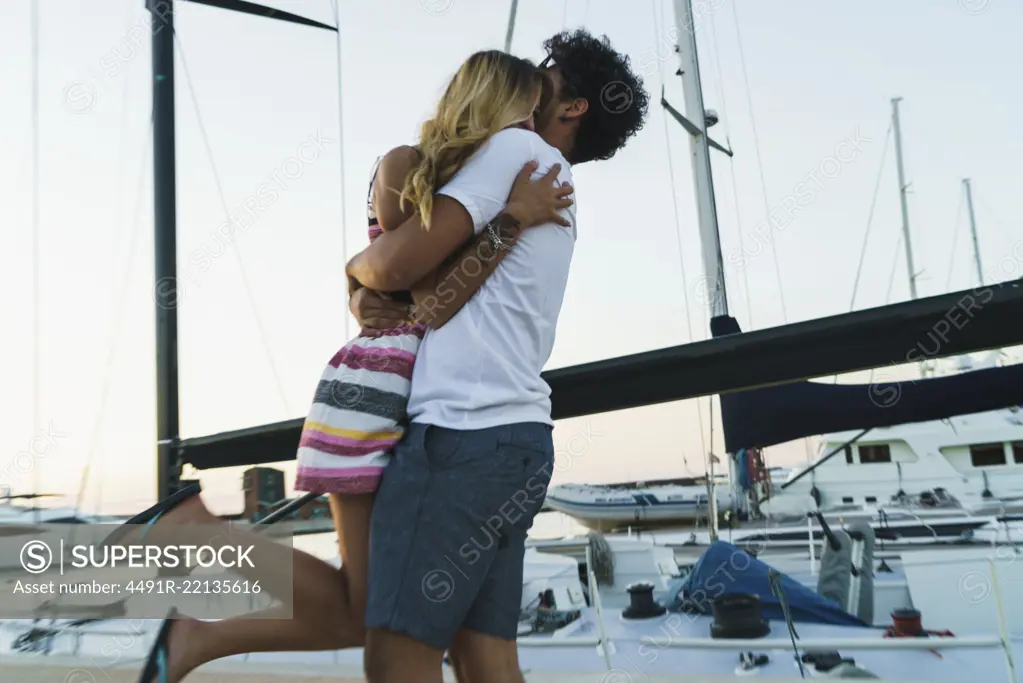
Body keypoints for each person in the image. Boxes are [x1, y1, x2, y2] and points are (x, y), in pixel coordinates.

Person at [117, 50, 575, 683]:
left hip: (408, 399)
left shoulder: (467, 180)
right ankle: (194, 544)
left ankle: (196, 613)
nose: (528, 131)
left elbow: (408, 282)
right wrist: (511, 219)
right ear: (487, 103)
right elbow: (407, 282)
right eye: (522, 114)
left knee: (370, 610)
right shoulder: (407, 164)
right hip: (374, 391)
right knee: (376, 619)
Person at [347, 29, 648, 683]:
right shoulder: (553, 178)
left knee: (395, 655)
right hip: (514, 440)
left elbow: (396, 269)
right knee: (486, 657)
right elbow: (433, 285)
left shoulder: (516, 151)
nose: (530, 76)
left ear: (570, 108)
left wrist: (355, 268)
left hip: (458, 435)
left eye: (547, 72)